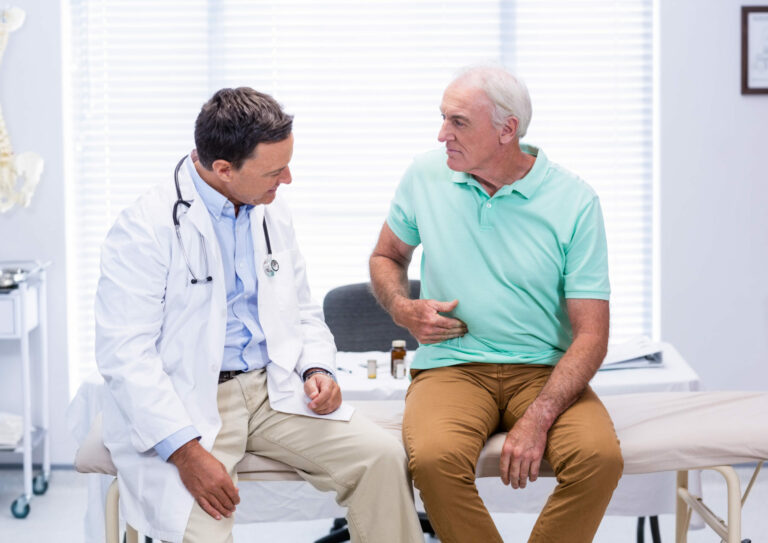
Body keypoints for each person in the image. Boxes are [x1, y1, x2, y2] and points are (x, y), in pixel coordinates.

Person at [95, 87, 423, 543]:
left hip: (273, 389)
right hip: (189, 401)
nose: (287, 179)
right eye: (274, 170)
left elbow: (302, 309)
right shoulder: (144, 228)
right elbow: (126, 356)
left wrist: (317, 368)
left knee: (382, 458)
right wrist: (185, 453)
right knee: (200, 533)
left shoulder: (269, 210)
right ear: (223, 169)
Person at [369, 66, 623, 543]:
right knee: (435, 461)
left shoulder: (575, 202)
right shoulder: (426, 176)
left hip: (543, 372)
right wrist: (403, 308)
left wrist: (540, 416)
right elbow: (387, 256)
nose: (442, 134)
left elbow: (592, 334)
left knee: (599, 459)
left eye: (458, 122)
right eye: (443, 118)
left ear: (507, 130)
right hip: (452, 368)